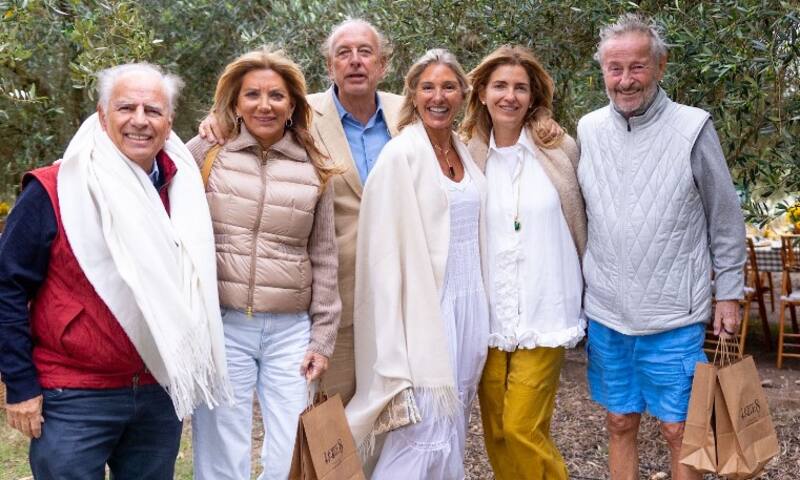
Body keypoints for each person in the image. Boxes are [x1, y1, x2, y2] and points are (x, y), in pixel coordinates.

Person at [0, 63, 230, 479]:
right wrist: (20, 386)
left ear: (169, 121)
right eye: (126, 107)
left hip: (159, 389)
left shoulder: (183, 191)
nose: (139, 120)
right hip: (73, 394)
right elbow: (7, 287)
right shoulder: (54, 189)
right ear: (103, 115)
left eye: (153, 110)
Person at [577, 13, 746, 480]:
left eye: (637, 67)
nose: (625, 80)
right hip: (608, 311)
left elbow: (725, 218)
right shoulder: (587, 130)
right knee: (618, 420)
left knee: (679, 430)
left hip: (674, 312)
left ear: (660, 66)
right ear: (603, 71)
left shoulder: (692, 127)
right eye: (615, 68)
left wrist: (728, 293)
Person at [199, 19, 403, 404]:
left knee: (399, 407)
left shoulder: (409, 113)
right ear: (329, 66)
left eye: (365, 52)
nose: (355, 61)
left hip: (400, 286)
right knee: (331, 414)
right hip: (332, 292)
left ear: (383, 64)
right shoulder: (297, 113)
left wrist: (539, 118)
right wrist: (215, 120)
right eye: (344, 53)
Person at [187, 47, 341, 480]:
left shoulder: (315, 166)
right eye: (252, 94)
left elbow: (325, 257)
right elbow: (154, 186)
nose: (264, 105)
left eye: (276, 95)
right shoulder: (205, 152)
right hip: (223, 325)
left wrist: (323, 338)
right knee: (221, 451)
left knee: (290, 452)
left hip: (291, 332)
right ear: (235, 102)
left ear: (293, 104)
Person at [345, 48, 489, 479]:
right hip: (426, 312)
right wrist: (393, 340)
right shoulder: (400, 155)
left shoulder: (463, 151)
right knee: (420, 431)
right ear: (413, 94)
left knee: (453, 424)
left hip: (470, 305)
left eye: (448, 86)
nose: (438, 96)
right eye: (428, 87)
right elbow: (381, 256)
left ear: (463, 94)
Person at [461, 45, 586, 480]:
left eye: (520, 88)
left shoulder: (559, 148)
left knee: (521, 426)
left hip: (545, 306)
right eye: (499, 86)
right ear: (480, 93)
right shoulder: (465, 154)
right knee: (496, 430)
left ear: (533, 97)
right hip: (489, 311)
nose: (509, 96)